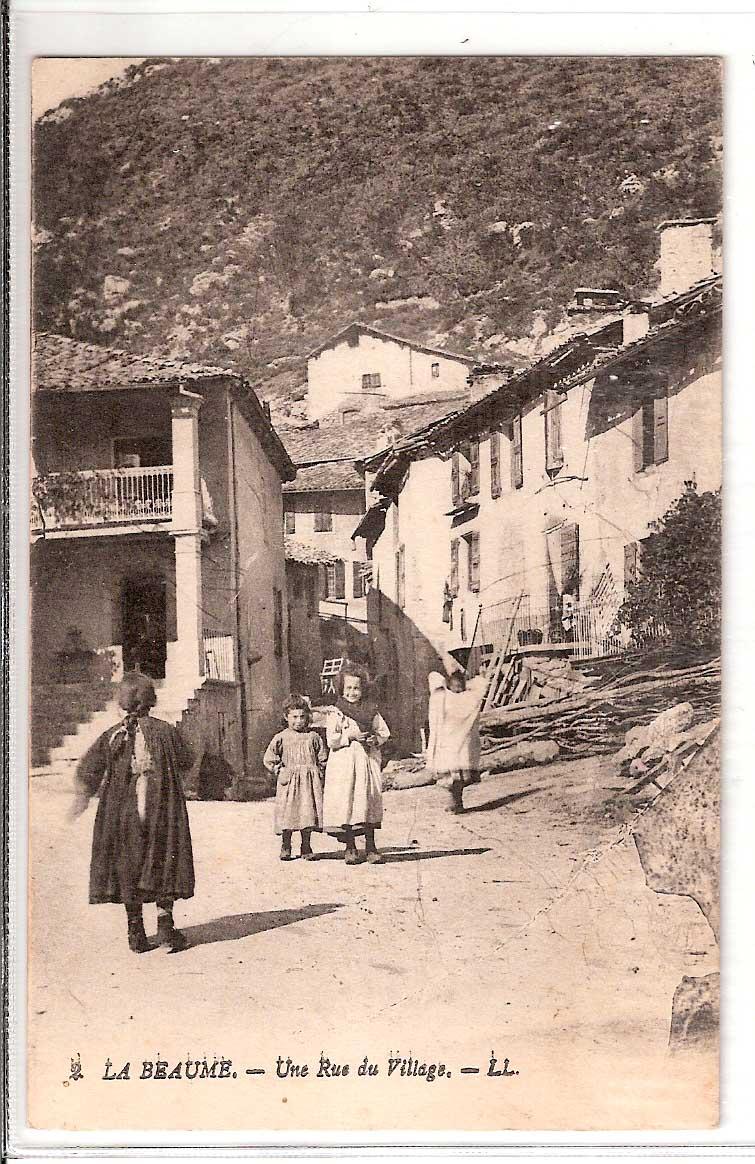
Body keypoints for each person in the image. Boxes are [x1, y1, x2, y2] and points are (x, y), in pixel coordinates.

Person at [69, 671, 195, 954]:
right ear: (151, 700)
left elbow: (90, 768)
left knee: (128, 863)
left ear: (122, 703)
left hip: (123, 809)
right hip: (161, 805)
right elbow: (187, 758)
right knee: (163, 855)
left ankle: (135, 931)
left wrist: (83, 794)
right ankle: (165, 925)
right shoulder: (165, 731)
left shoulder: (113, 734)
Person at [322, 665, 390, 864]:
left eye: (356, 689)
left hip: (365, 763)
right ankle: (350, 847)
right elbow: (331, 739)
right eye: (348, 689)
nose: (352, 693)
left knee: (367, 801)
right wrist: (350, 735)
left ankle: (371, 847)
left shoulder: (371, 711)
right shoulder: (336, 712)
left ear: (364, 689)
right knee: (348, 802)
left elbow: (383, 732)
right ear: (341, 689)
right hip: (344, 765)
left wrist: (374, 740)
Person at [263, 695, 327, 862]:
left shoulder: (313, 736)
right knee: (288, 814)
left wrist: (319, 772)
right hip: (289, 782)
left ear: (307, 717)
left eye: (302, 717)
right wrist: (279, 770)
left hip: (309, 783)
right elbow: (269, 757)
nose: (298, 721)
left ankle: (306, 846)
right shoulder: (281, 737)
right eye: (294, 717)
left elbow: (323, 757)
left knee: (307, 814)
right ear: (286, 717)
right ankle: (286, 845)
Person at [426, 668, 487, 813]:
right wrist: (482, 677)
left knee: (456, 778)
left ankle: (457, 803)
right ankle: (456, 802)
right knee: (453, 779)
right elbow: (480, 687)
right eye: (456, 688)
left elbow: (433, 678)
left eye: (461, 688)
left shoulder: (445, 697)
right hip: (451, 744)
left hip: (456, 744)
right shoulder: (466, 698)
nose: (458, 691)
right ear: (450, 686)